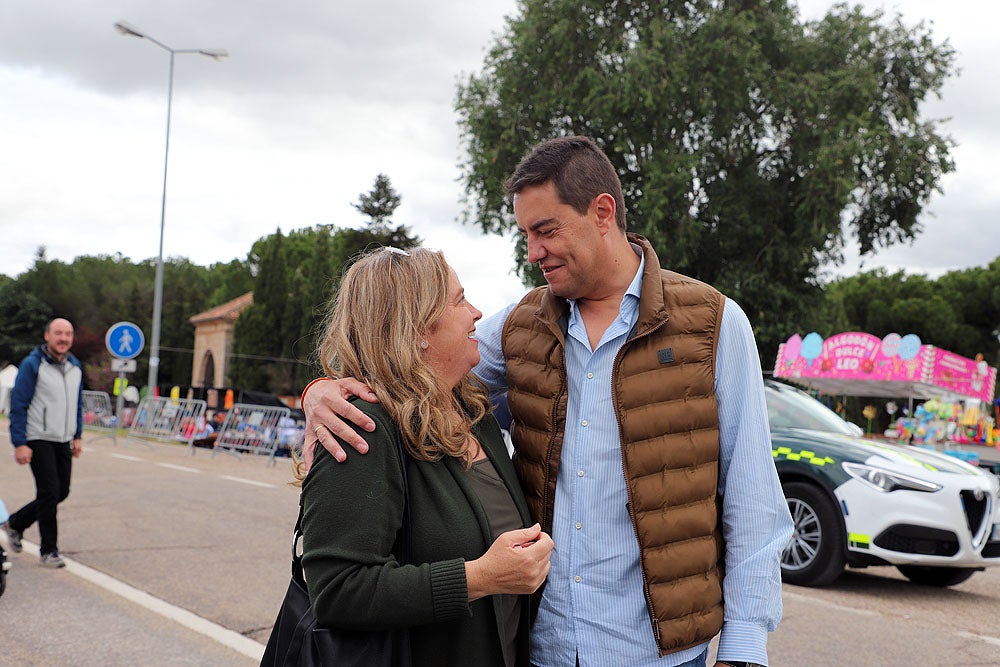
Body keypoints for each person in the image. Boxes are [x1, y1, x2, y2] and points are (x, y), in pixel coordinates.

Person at [305, 136, 793, 667]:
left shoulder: (714, 325)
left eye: (546, 230)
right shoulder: (518, 328)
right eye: (526, 234)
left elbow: (753, 500)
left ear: (602, 212)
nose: (533, 252)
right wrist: (323, 390)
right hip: (544, 648)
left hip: (663, 654)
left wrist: (744, 649)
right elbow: (405, 365)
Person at [296, 246, 553, 667]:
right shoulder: (365, 428)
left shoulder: (473, 411)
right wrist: (480, 577)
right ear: (414, 328)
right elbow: (338, 590)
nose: (476, 313)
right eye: (459, 300)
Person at [3, 318, 84, 569]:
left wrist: (78, 435)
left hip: (63, 438)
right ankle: (49, 550)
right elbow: (18, 406)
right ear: (47, 335)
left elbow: (77, 404)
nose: (63, 338)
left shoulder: (75, 366)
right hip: (38, 437)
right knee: (49, 492)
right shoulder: (32, 365)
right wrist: (20, 442)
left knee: (62, 492)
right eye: (58, 333)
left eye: (68, 334)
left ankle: (15, 523)